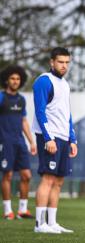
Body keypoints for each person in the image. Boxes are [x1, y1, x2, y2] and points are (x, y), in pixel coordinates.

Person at [32, 47, 78, 234]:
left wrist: (72, 139)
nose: (64, 66)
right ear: (52, 62)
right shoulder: (44, 81)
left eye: (67, 62)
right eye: (60, 62)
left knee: (58, 181)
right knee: (48, 179)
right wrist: (48, 138)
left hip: (63, 137)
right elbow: (40, 111)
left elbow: (67, 114)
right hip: (49, 137)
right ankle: (39, 224)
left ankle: (52, 223)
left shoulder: (65, 84)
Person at [0, 65, 37, 220]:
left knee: (27, 175)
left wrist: (31, 141)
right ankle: (8, 210)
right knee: (7, 175)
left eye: (18, 79)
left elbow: (24, 121)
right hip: (5, 142)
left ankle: (22, 210)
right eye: (12, 79)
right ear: (7, 80)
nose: (15, 81)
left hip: (20, 142)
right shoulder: (1, 98)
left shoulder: (21, 99)